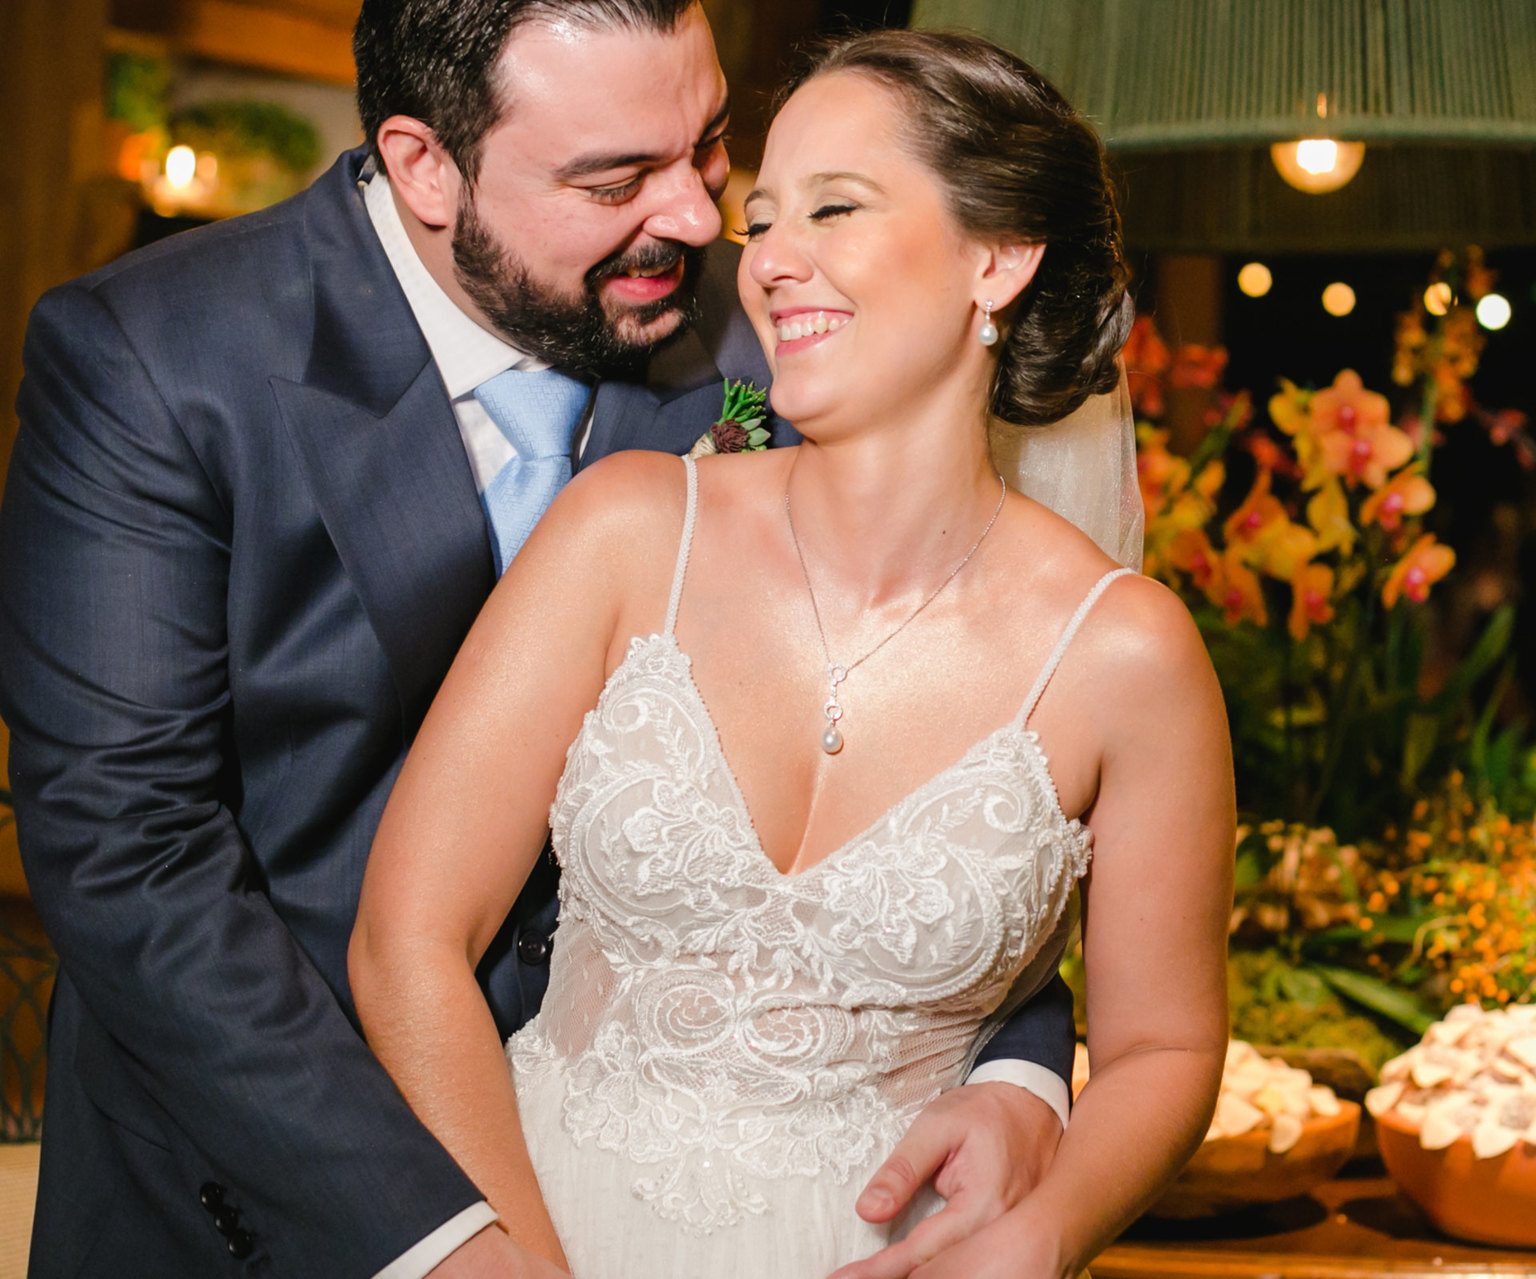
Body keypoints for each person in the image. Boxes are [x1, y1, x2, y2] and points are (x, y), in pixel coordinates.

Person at [0, 4, 1080, 1276]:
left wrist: (1022, 1076)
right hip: (243, 1198)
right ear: (424, 166)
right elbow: (135, 860)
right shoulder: (156, 359)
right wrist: (450, 1237)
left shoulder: (777, 345)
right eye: (615, 179)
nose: (695, 219)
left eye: (710, 147)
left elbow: (939, 757)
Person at [350, 27, 1236, 1279]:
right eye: (762, 219)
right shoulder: (627, 530)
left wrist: (1042, 1230)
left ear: (997, 256)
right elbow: (408, 937)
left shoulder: (1126, 658)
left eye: (836, 208)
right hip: (543, 1229)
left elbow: (1164, 1050)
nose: (769, 262)